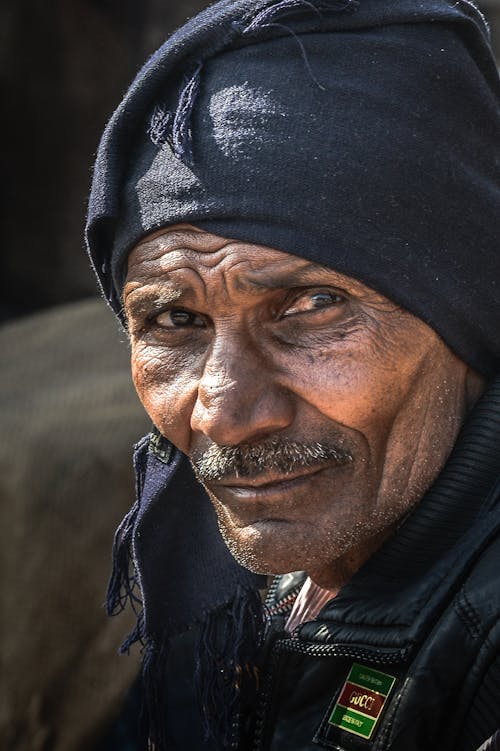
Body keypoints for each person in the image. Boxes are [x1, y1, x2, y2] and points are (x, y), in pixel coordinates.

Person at [85, 0, 500, 749]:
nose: (225, 414)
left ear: (466, 309)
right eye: (175, 320)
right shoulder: (218, 587)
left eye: (311, 306)